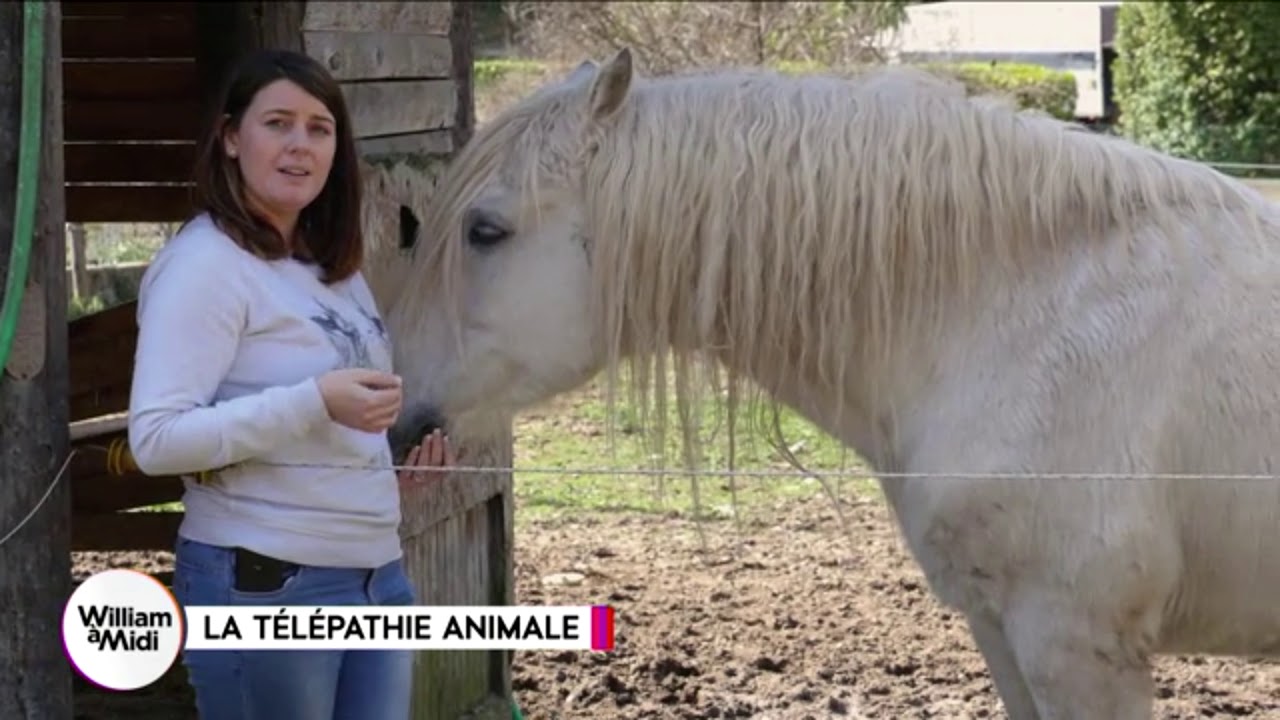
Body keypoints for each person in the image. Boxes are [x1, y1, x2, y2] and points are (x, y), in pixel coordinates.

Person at [126, 48, 453, 720]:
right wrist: (315, 401)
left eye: (318, 128)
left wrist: (384, 478)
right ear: (230, 137)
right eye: (277, 123)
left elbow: (322, 426)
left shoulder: (331, 267)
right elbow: (156, 441)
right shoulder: (205, 265)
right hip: (268, 582)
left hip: (377, 577)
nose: (300, 144)